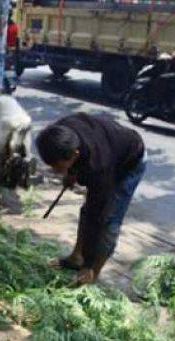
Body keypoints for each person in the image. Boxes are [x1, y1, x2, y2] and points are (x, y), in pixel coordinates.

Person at [35, 113, 147, 286]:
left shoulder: (98, 166)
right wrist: (71, 173)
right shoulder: (58, 133)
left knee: (108, 220)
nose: (55, 171)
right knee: (86, 211)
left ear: (74, 155)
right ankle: (76, 258)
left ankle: (92, 273)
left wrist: (89, 263)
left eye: (57, 166)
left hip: (129, 161)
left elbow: (97, 216)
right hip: (108, 145)